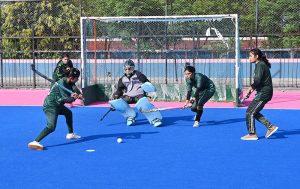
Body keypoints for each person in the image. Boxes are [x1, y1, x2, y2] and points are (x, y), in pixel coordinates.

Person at [28, 68, 83, 150]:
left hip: (58, 104)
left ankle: (70, 134)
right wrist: (74, 98)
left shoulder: (69, 82)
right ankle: (35, 141)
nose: (77, 79)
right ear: (71, 78)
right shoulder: (62, 84)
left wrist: (79, 94)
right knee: (51, 127)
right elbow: (66, 100)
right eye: (77, 78)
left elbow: (74, 87)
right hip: (51, 106)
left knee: (68, 113)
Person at [109, 59, 162, 127]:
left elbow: (147, 83)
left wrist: (150, 92)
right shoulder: (122, 79)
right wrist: (114, 102)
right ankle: (130, 116)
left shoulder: (139, 75)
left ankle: (155, 118)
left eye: (129, 68)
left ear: (133, 68)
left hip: (139, 95)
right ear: (124, 69)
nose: (127, 70)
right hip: (128, 96)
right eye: (126, 69)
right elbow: (119, 91)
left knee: (143, 102)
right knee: (118, 102)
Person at [241, 48, 278, 140]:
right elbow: (258, 82)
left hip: (264, 93)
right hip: (263, 92)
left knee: (250, 112)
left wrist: (250, 88)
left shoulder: (260, 65)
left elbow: (257, 81)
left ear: (256, 57)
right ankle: (271, 127)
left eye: (250, 56)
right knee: (254, 112)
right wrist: (250, 91)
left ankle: (252, 134)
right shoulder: (260, 65)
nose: (249, 58)